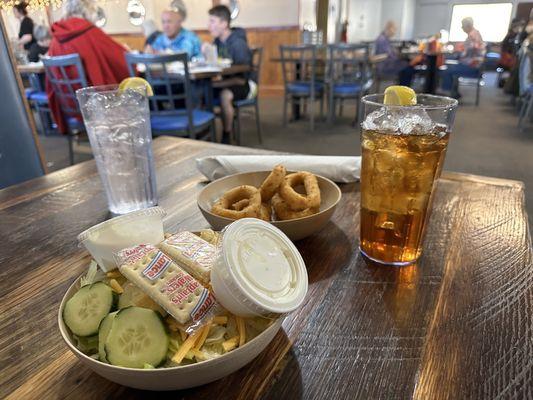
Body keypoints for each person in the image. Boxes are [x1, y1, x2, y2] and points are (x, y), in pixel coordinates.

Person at [46, 0, 130, 134]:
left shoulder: (55, 40)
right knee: (134, 91)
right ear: (88, 9)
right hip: (96, 105)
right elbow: (123, 61)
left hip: (69, 104)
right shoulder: (89, 32)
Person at [205, 5, 252, 144]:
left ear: (224, 24)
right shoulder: (217, 42)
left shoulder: (238, 43)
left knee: (225, 95)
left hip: (243, 84)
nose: (209, 25)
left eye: (212, 21)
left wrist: (218, 81)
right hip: (225, 81)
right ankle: (205, 131)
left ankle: (227, 134)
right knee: (202, 91)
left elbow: (243, 74)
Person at [439, 17, 485, 98]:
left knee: (447, 70)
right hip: (474, 64)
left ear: (468, 26)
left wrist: (457, 52)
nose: (462, 28)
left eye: (462, 26)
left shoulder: (472, 36)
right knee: (451, 65)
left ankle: (447, 94)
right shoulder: (475, 34)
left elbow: (466, 54)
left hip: (473, 67)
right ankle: (454, 92)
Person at [374, 21, 415, 87]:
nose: (395, 32)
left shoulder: (385, 39)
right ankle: (403, 91)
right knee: (408, 68)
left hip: (388, 64)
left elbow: (389, 53)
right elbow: (387, 55)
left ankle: (403, 89)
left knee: (408, 64)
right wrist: (396, 55)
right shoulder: (382, 39)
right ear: (389, 28)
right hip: (385, 66)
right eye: (394, 29)